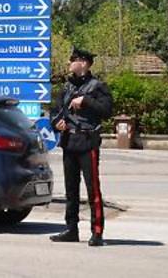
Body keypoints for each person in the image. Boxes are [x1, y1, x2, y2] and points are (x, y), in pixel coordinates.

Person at [49, 48, 113, 247]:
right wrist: (56, 123)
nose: (70, 62)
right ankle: (71, 228)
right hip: (69, 142)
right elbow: (55, 111)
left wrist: (85, 100)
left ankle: (97, 231)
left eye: (74, 60)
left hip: (87, 142)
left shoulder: (97, 86)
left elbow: (107, 110)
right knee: (71, 189)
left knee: (93, 189)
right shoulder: (67, 87)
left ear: (84, 63)